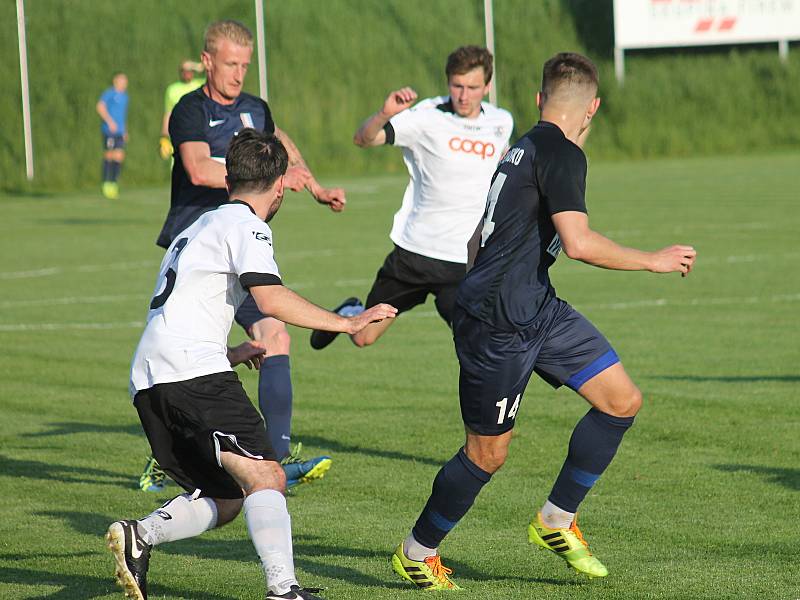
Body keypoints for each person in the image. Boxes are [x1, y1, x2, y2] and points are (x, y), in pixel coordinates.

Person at [390, 52, 697, 590]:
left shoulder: (519, 150)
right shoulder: (560, 153)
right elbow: (576, 243)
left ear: (538, 100)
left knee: (621, 400)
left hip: (536, 307)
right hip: (498, 324)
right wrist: (653, 259)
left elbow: (474, 240)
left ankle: (556, 520)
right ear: (593, 108)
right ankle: (417, 552)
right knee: (488, 454)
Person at [107, 129, 397, 600]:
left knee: (225, 496)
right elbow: (270, 296)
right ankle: (284, 590)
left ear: (228, 179)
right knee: (268, 474)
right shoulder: (247, 225)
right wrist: (348, 324)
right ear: (279, 185)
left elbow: (176, 312)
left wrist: (230, 353)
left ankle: (141, 535)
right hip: (192, 373)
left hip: (151, 378)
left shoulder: (195, 227)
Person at [138, 20, 347, 493]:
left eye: (244, 65)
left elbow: (281, 142)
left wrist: (312, 185)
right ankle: (167, 455)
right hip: (198, 249)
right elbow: (194, 165)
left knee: (274, 336)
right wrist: (255, 173)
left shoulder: (254, 108)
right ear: (208, 61)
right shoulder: (190, 109)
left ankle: (274, 457)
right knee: (193, 353)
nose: (237, 74)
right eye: (230, 64)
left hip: (240, 245)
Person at [309, 46, 513, 351]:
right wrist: (385, 114)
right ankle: (350, 312)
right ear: (448, 83)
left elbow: (503, 162)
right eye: (457, 86)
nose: (464, 95)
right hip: (415, 254)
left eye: (472, 88)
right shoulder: (426, 117)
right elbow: (363, 139)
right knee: (364, 337)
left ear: (487, 87)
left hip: (464, 262)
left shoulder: (501, 121)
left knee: (478, 347)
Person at [159, 60, 205, 161]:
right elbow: (168, 112)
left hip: (199, 131)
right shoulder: (173, 89)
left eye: (190, 70)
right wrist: (164, 136)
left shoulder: (201, 85)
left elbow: (215, 72)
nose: (187, 73)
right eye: (184, 70)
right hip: (180, 132)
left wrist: (197, 66)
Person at [96, 72, 129, 200]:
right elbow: (99, 107)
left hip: (120, 132)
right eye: (122, 80)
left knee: (119, 156)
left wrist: (124, 130)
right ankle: (106, 183)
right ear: (116, 81)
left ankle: (114, 183)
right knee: (109, 155)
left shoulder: (125, 97)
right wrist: (109, 122)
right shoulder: (109, 93)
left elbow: (123, 115)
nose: (124, 83)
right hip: (109, 131)